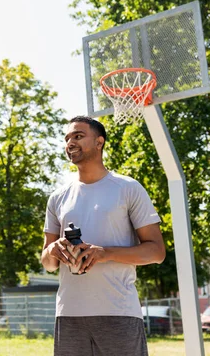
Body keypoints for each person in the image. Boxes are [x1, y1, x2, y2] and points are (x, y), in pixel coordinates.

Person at [41, 116, 166, 356]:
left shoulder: (128, 188)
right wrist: (52, 250)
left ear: (99, 142)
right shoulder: (57, 197)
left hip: (119, 312)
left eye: (78, 136)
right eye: (67, 138)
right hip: (69, 315)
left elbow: (156, 252)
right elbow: (48, 264)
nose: (70, 143)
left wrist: (104, 253)